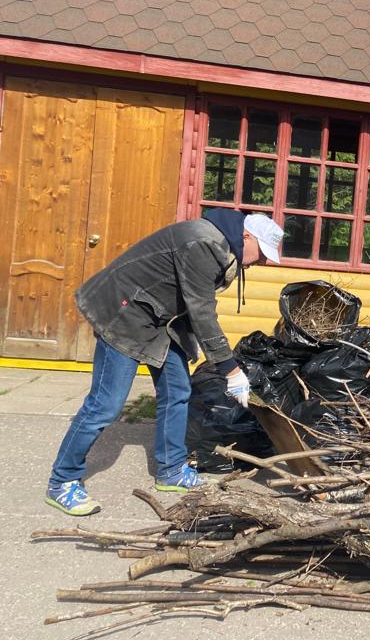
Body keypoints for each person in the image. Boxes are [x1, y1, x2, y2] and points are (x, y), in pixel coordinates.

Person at [44, 210, 284, 516]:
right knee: (106, 404)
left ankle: (171, 470)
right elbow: (201, 311)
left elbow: (186, 298)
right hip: (124, 313)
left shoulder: (220, 244)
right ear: (247, 237)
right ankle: (62, 481)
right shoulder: (203, 243)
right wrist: (231, 370)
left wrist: (197, 345)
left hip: (158, 319)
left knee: (177, 391)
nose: (262, 262)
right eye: (262, 254)